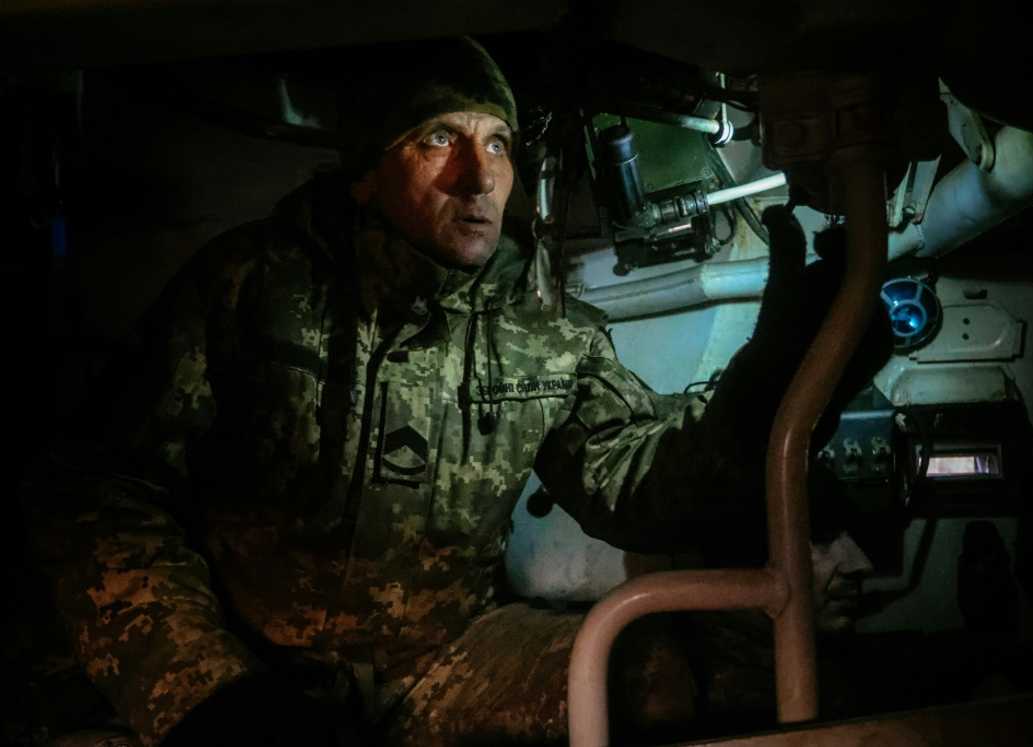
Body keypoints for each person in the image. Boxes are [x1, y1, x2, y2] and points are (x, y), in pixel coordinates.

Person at [22, 37, 891, 746]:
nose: (479, 176)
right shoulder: (250, 289)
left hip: (439, 664)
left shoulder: (544, 328)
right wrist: (201, 695)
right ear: (366, 171)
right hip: (244, 666)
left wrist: (771, 390)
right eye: (440, 138)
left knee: (673, 677)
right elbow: (103, 495)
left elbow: (641, 488)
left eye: (499, 142)